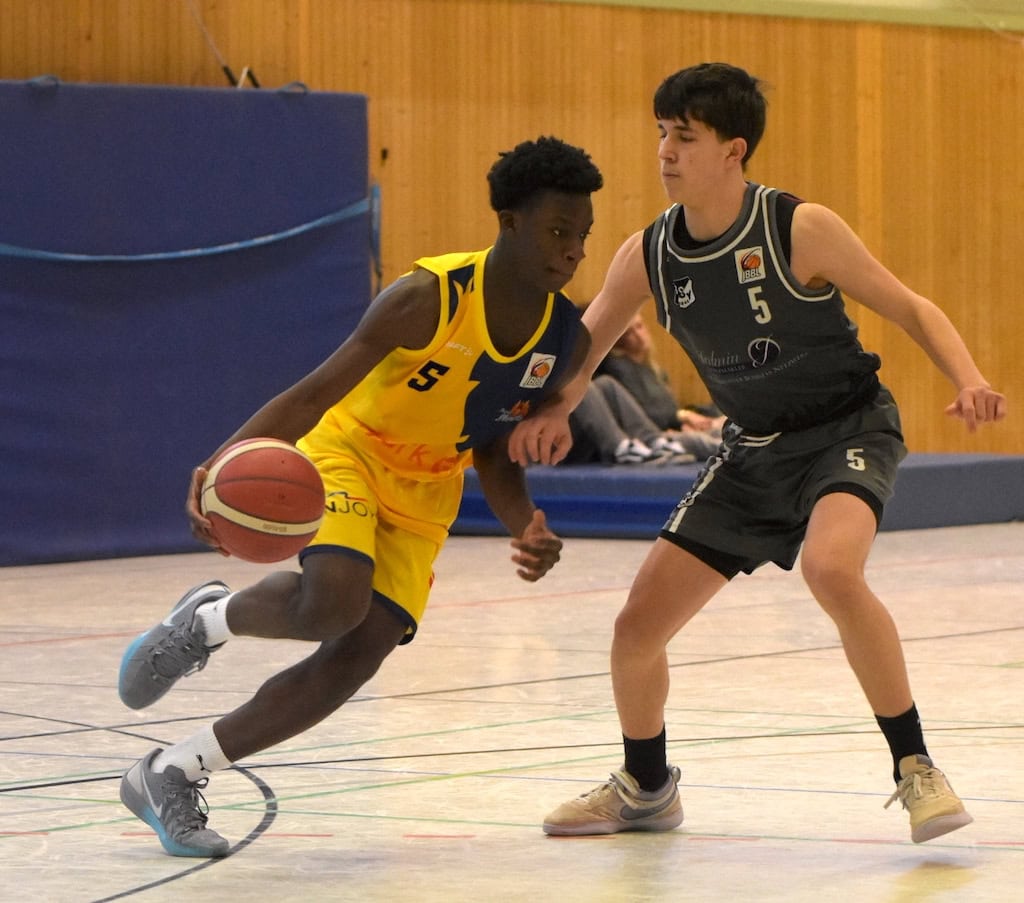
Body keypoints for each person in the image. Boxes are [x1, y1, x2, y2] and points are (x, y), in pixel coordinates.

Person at [508, 63, 1006, 843]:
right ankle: (646, 784)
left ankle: (916, 768)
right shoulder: (649, 253)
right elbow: (591, 337)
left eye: (685, 136)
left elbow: (908, 304)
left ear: (733, 150)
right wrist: (555, 408)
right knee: (635, 627)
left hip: (846, 428)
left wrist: (970, 376)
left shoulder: (798, 228)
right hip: (750, 454)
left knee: (832, 569)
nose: (665, 151)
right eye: (661, 134)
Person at [116, 136, 603, 858]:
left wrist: (523, 523)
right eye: (559, 231)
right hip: (349, 453)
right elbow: (315, 392)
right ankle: (208, 620)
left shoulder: (562, 338)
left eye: (583, 237)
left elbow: (494, 446)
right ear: (509, 222)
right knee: (335, 602)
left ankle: (172, 770)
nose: (572, 252)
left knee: (357, 655)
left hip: (429, 485)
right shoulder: (425, 299)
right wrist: (220, 464)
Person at [601, 312, 726, 440]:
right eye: (629, 333)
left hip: (676, 429)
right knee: (708, 440)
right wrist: (682, 417)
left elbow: (671, 409)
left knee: (721, 421)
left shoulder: (653, 369)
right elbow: (643, 415)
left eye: (639, 326)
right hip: (656, 436)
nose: (639, 336)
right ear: (619, 340)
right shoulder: (620, 368)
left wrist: (691, 418)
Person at [564, 374, 699, 466]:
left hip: (588, 435)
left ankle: (653, 441)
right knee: (579, 383)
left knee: (606, 383)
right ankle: (622, 449)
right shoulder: (619, 365)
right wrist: (679, 417)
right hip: (557, 445)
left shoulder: (651, 370)